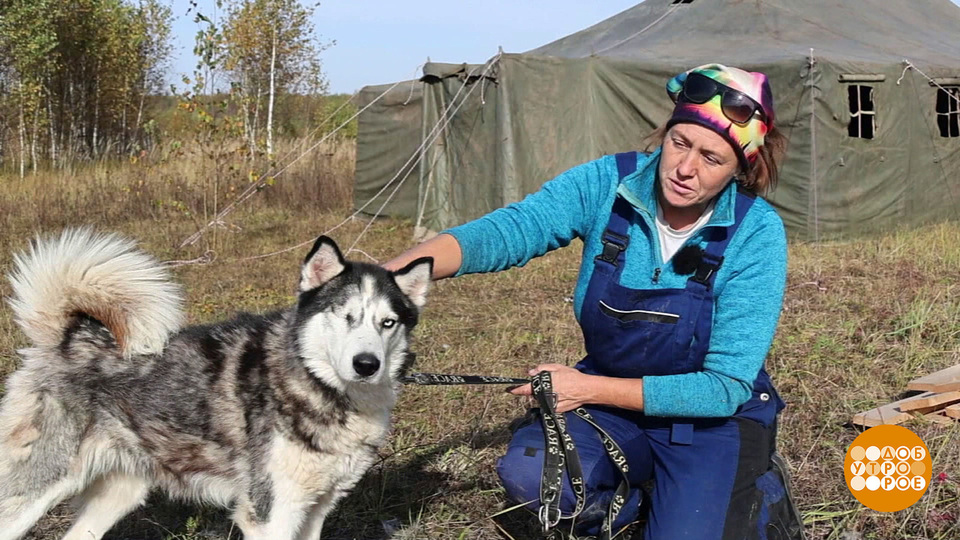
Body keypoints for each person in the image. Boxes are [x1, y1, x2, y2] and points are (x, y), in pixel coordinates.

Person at [384, 64, 803, 540]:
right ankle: (631, 504)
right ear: (665, 133)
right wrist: (388, 276)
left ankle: (754, 490)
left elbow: (723, 387)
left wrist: (585, 389)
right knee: (533, 476)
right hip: (612, 400)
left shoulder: (756, 232)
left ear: (739, 170)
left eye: (712, 159)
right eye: (680, 143)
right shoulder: (609, 184)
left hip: (707, 421)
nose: (686, 169)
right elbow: (512, 229)